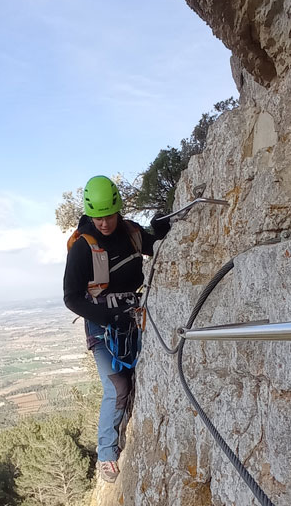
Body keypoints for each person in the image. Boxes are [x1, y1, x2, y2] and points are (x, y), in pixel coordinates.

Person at [63, 175, 170, 483]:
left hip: (133, 316)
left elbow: (155, 247)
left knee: (135, 380)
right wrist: (108, 319)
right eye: (97, 217)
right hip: (101, 325)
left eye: (108, 215)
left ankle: (124, 433)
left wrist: (163, 231)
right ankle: (107, 455)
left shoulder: (132, 233)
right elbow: (71, 297)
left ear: (118, 210)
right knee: (117, 386)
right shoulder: (83, 248)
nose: (104, 223)